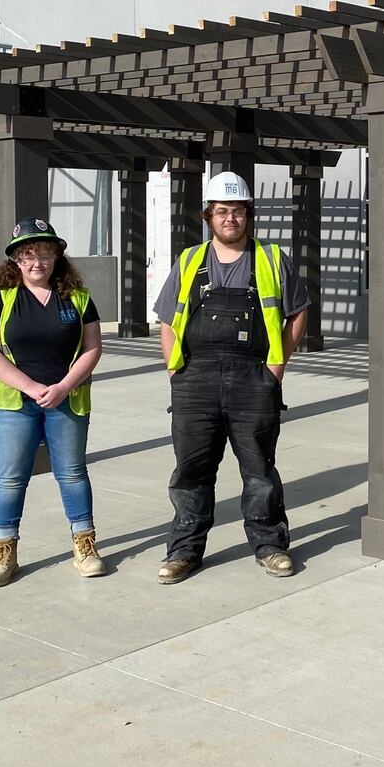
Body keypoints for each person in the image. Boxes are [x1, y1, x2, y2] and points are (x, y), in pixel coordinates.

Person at [153, 171, 311, 583]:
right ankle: (184, 551)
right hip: (195, 381)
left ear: (248, 215)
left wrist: (276, 370)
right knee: (191, 471)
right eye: (222, 211)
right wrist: (175, 369)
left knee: (259, 470)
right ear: (209, 216)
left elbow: (298, 313)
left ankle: (270, 546)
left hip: (253, 380)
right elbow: (167, 320)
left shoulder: (273, 259)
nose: (230, 219)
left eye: (237, 211)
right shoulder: (189, 260)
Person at [0, 218, 106, 587]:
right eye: (28, 254)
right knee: (11, 478)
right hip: (13, 403)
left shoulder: (77, 298)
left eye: (45, 253)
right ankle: (4, 552)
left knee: (73, 473)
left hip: (66, 398)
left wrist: (63, 386)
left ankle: (85, 545)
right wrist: (32, 387)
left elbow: (92, 347)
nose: (37, 262)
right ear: (15, 260)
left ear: (57, 257)